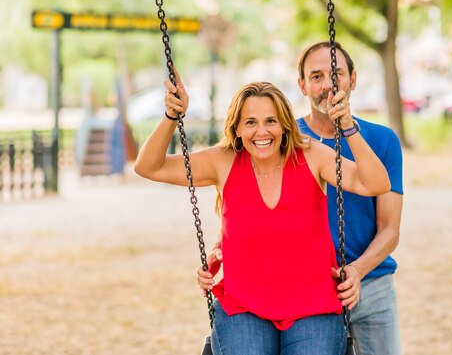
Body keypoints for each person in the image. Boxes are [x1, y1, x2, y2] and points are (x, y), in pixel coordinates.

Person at [135, 73, 390, 355]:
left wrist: (348, 127)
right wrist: (172, 116)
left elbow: (377, 183)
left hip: (313, 304)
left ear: (283, 124)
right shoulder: (223, 161)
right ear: (238, 128)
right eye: (251, 122)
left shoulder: (311, 155)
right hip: (243, 306)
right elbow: (148, 166)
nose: (262, 132)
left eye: (271, 121)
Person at [198, 42, 404, 355]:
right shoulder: (275, 136)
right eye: (316, 76)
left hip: (369, 280)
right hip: (300, 290)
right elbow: (244, 203)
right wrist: (219, 246)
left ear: (353, 79)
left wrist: (358, 271)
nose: (326, 85)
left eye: (335, 74)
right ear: (302, 85)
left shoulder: (380, 140)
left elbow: (390, 228)